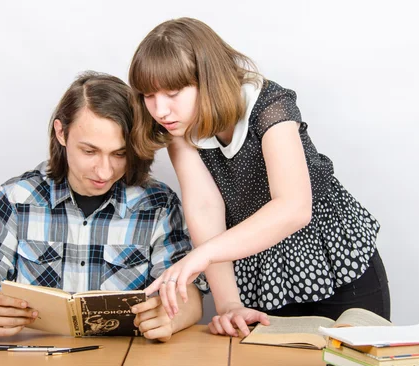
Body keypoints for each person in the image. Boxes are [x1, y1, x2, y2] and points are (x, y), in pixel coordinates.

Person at [128, 17, 390, 337]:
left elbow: (294, 207)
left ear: (207, 79)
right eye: (148, 96)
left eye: (173, 92)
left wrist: (199, 257)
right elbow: (205, 211)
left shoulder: (267, 103)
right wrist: (228, 305)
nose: (160, 110)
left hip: (333, 260)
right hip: (265, 271)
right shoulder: (178, 129)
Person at [0, 71, 204, 342]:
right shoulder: (17, 198)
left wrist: (169, 319)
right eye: (89, 151)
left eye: (119, 154)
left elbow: (191, 297)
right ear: (61, 133)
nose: (104, 171)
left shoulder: (158, 205)